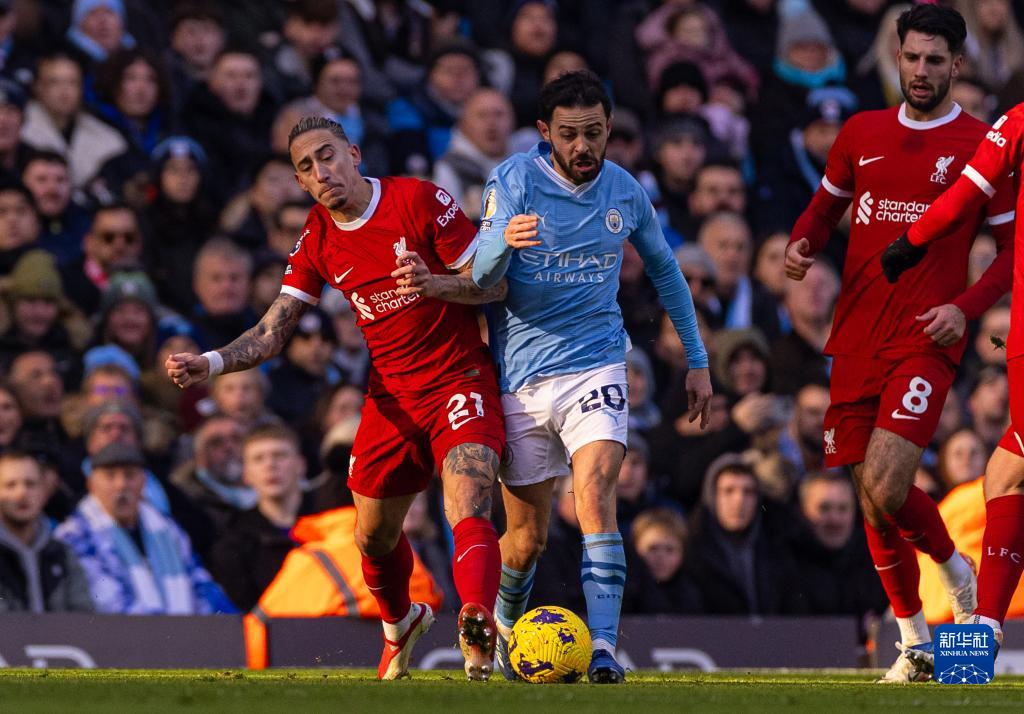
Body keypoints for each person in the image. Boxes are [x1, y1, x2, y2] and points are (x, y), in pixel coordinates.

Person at [165, 116, 508, 681]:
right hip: (390, 396)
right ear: (299, 183)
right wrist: (213, 362)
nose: (320, 172)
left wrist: (436, 283)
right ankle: (401, 626)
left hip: (459, 377)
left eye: (327, 156)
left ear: (353, 153)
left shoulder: (420, 199)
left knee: (467, 496)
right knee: (371, 535)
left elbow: (493, 283)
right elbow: (275, 331)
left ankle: (476, 626)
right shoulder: (318, 236)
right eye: (306, 167)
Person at [457, 70, 711, 683]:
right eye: (569, 134)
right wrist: (502, 240)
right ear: (545, 132)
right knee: (527, 540)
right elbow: (478, 275)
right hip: (520, 375)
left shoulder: (624, 191)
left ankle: (602, 649)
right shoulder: (513, 180)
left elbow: (668, 274)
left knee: (595, 493)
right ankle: (504, 643)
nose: (583, 147)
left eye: (594, 133)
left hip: (595, 359)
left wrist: (699, 360)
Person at [786, 5, 1011, 682]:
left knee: (888, 483)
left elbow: (1008, 250)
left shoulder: (982, 142)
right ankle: (914, 641)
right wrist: (803, 243)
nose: (920, 71)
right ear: (897, 55)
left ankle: (953, 566)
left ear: (957, 66)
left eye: (935, 61)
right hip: (855, 330)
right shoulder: (861, 131)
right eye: (911, 58)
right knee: (868, 496)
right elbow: (824, 207)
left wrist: (964, 309)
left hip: (925, 336)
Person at [879, 27, 1024, 658]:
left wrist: (908, 243)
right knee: (1007, 467)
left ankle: (981, 636)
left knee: (1011, 471)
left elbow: (966, 192)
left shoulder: (1017, 122)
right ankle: (981, 634)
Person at [55, 441, 233, 614]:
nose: (121, 485)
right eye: (110, 476)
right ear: (91, 484)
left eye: (130, 475)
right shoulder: (74, 536)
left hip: (179, 635)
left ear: (144, 482)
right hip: (118, 638)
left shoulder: (168, 529)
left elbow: (200, 583)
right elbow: (107, 600)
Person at [208, 424, 318, 611]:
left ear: (301, 465)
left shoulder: (334, 524)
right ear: (246, 474)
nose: (270, 465)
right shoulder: (233, 540)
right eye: (259, 459)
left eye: (279, 455)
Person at [0, 450, 93, 612]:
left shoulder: (63, 554)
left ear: (44, 492)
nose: (21, 493)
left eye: (30, 484)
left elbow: (83, 616)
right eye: (10, 485)